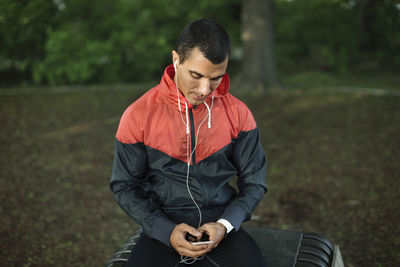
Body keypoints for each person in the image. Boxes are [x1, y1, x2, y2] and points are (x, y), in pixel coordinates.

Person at [110, 18, 268, 266]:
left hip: (222, 226)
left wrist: (225, 225)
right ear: (176, 59)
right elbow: (125, 186)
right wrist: (164, 230)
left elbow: (255, 182)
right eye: (196, 75)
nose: (206, 89)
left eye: (216, 78)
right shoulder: (137, 115)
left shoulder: (238, 113)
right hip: (162, 226)